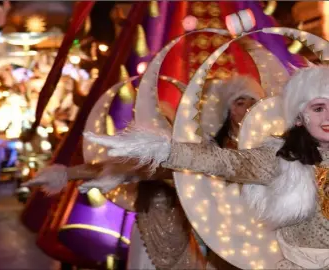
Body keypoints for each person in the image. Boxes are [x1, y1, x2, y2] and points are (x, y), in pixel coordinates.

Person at [84, 66, 329, 269]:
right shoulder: (279, 159)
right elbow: (221, 162)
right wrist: (165, 151)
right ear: (299, 116)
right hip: (242, 241)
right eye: (318, 108)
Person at [24, 75, 266, 269]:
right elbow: (121, 166)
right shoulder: (198, 152)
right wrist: (67, 174)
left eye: (251, 102)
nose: (244, 110)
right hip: (166, 235)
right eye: (239, 103)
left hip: (238, 238)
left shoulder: (268, 145)